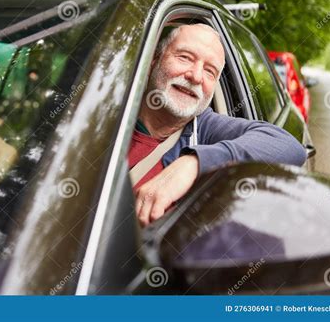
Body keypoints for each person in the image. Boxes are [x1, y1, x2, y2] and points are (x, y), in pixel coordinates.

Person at [129, 23, 306, 227]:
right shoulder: (108, 112)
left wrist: (193, 164)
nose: (195, 76)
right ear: (154, 60)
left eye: (209, 71)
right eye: (185, 57)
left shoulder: (207, 129)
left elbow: (288, 146)